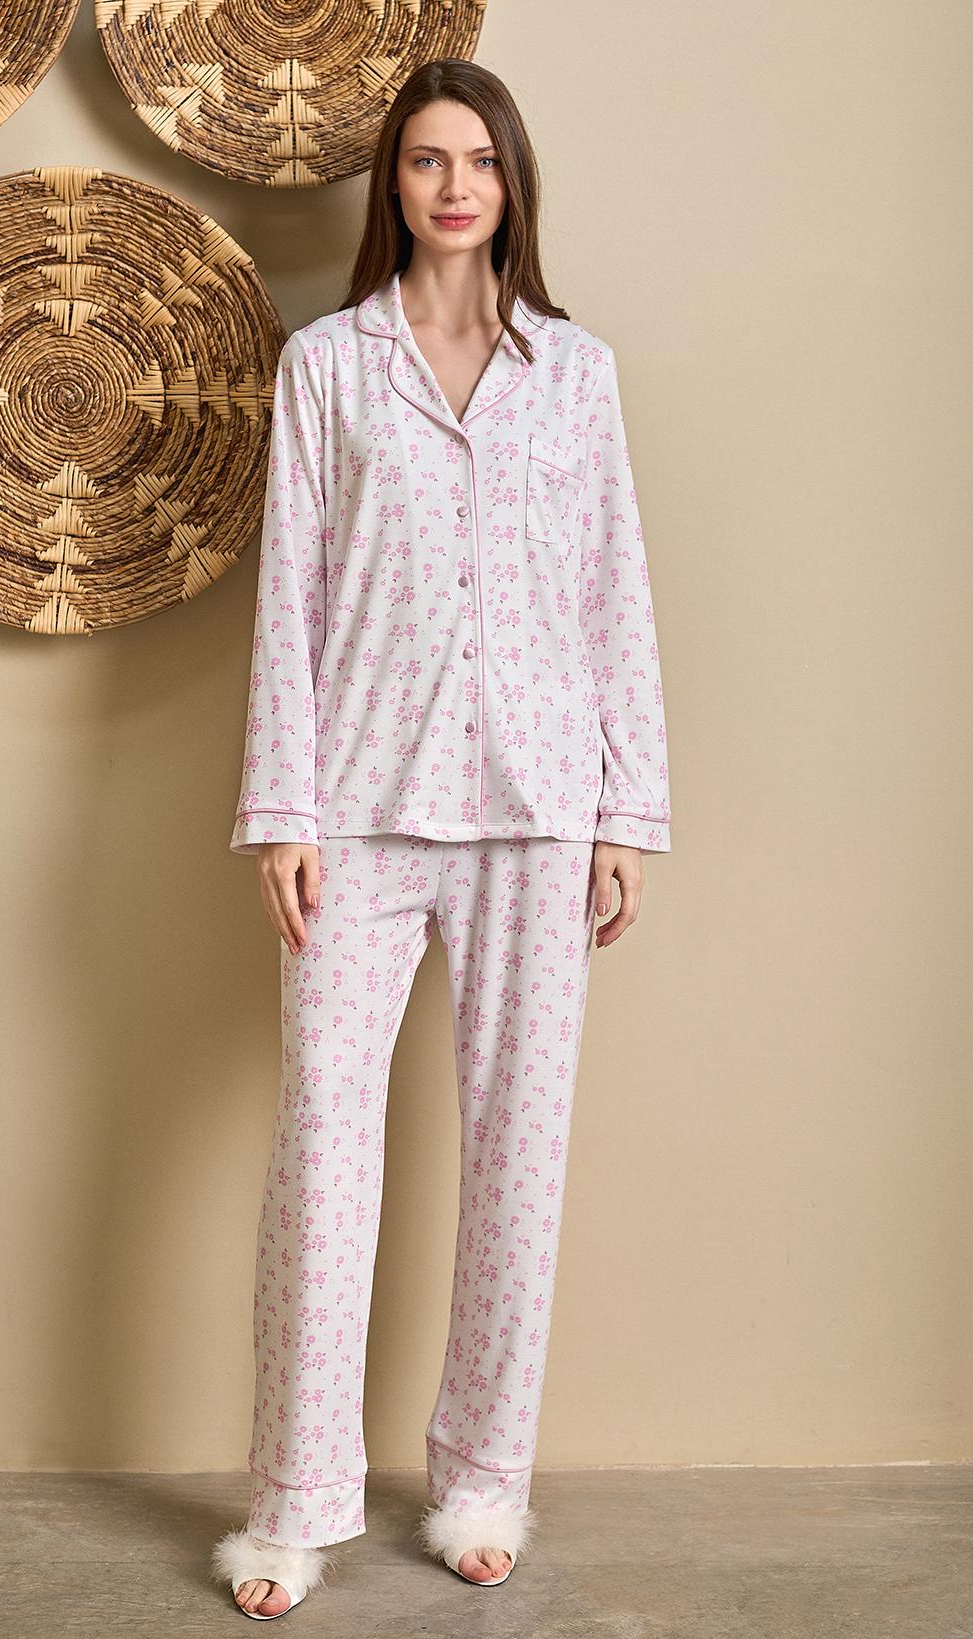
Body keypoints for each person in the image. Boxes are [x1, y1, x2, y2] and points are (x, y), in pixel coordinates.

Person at [211, 56, 672, 1622]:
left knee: (517, 1162)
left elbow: (611, 591)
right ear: (392, 185)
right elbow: (290, 595)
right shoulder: (328, 368)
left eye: (477, 159)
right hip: (358, 803)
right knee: (322, 1159)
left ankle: (482, 1482)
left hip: (540, 812)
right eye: (425, 160)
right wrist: (281, 811)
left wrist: (623, 812)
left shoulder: (576, 374)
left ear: (510, 179)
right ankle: (292, 1506)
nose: (453, 185)